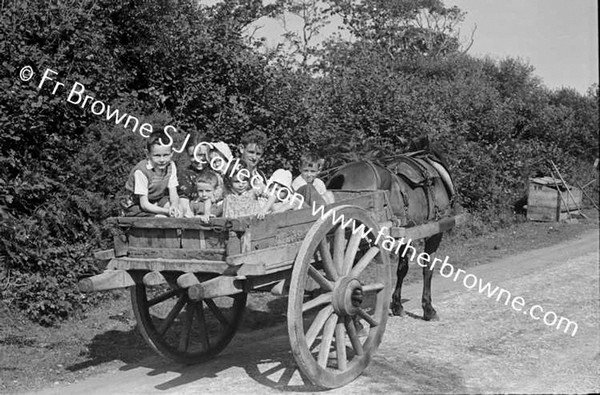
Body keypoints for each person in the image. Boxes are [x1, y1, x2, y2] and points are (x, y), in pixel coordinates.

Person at [124, 131, 181, 217]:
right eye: (157, 155)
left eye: (165, 155)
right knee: (160, 218)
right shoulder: (142, 171)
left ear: (171, 154)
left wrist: (174, 206)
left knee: (178, 211)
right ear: (148, 154)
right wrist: (165, 211)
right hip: (136, 203)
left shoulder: (171, 166)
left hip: (156, 199)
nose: (162, 160)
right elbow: (144, 204)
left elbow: (173, 193)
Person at [177, 140, 210, 217]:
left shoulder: (214, 172)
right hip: (195, 213)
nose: (198, 159)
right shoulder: (185, 175)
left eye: (202, 155)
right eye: (192, 156)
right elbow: (183, 200)